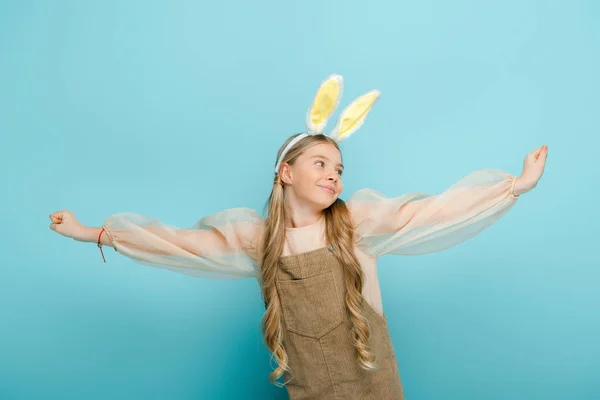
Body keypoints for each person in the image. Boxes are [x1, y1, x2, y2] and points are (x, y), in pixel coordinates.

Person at [49, 74, 548, 399]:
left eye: (339, 168)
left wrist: (512, 186)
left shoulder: (357, 224)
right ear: (286, 173)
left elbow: (433, 212)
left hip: (375, 385)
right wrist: (91, 233)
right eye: (320, 163)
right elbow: (178, 243)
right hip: (309, 388)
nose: (334, 176)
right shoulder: (257, 239)